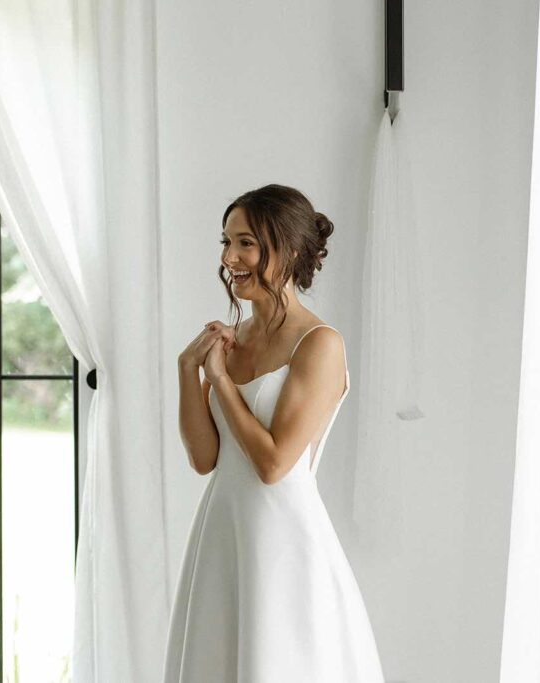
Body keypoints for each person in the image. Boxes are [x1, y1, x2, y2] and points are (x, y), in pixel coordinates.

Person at [165, 184, 385, 682]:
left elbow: (273, 464)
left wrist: (221, 381)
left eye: (245, 243)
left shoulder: (319, 344)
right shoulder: (234, 339)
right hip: (223, 534)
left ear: (286, 250)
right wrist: (187, 369)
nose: (230, 258)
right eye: (226, 242)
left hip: (283, 543)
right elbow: (205, 458)